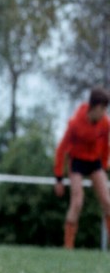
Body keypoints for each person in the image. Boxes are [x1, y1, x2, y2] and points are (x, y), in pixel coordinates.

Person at [53, 87, 110, 249]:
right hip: (77, 162)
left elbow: (106, 146)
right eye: (103, 109)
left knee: (107, 201)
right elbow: (61, 149)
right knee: (77, 201)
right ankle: (68, 246)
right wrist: (59, 178)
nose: (105, 112)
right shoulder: (75, 123)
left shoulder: (105, 123)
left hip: (95, 162)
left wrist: (104, 166)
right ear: (95, 107)